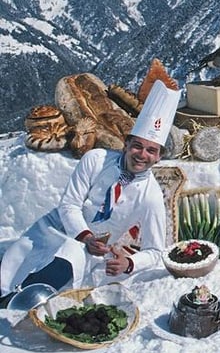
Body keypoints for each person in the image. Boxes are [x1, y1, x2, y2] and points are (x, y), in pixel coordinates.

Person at [0, 80, 179, 304]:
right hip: (55, 227)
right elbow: (69, 205)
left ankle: (18, 303)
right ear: (126, 144)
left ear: (158, 157)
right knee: (14, 263)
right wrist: (85, 235)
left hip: (92, 249)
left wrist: (129, 263)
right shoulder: (95, 159)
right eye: (137, 146)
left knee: (65, 260)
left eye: (151, 150)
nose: (142, 154)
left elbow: (154, 250)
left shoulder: (150, 196)